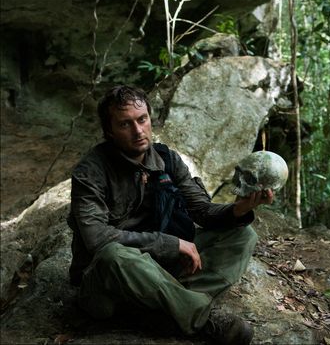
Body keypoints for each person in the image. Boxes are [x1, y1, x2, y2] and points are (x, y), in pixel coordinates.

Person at [67, 85, 274, 345]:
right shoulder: (90, 172)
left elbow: (203, 210)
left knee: (242, 235)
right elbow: (97, 239)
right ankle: (199, 316)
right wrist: (172, 243)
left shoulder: (167, 159)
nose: (138, 131)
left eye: (142, 119)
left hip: (160, 269)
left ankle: (164, 308)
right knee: (113, 254)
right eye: (125, 124)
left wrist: (239, 209)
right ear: (109, 131)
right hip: (107, 284)